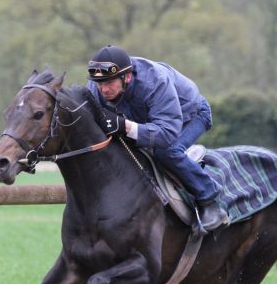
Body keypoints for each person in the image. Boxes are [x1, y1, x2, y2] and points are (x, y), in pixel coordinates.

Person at [86, 45, 229, 232]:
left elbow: (166, 133)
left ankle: (211, 202)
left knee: (166, 152)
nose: (103, 89)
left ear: (126, 77)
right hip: (149, 121)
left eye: (109, 83)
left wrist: (125, 126)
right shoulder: (96, 88)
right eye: (99, 83)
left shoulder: (155, 81)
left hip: (191, 116)